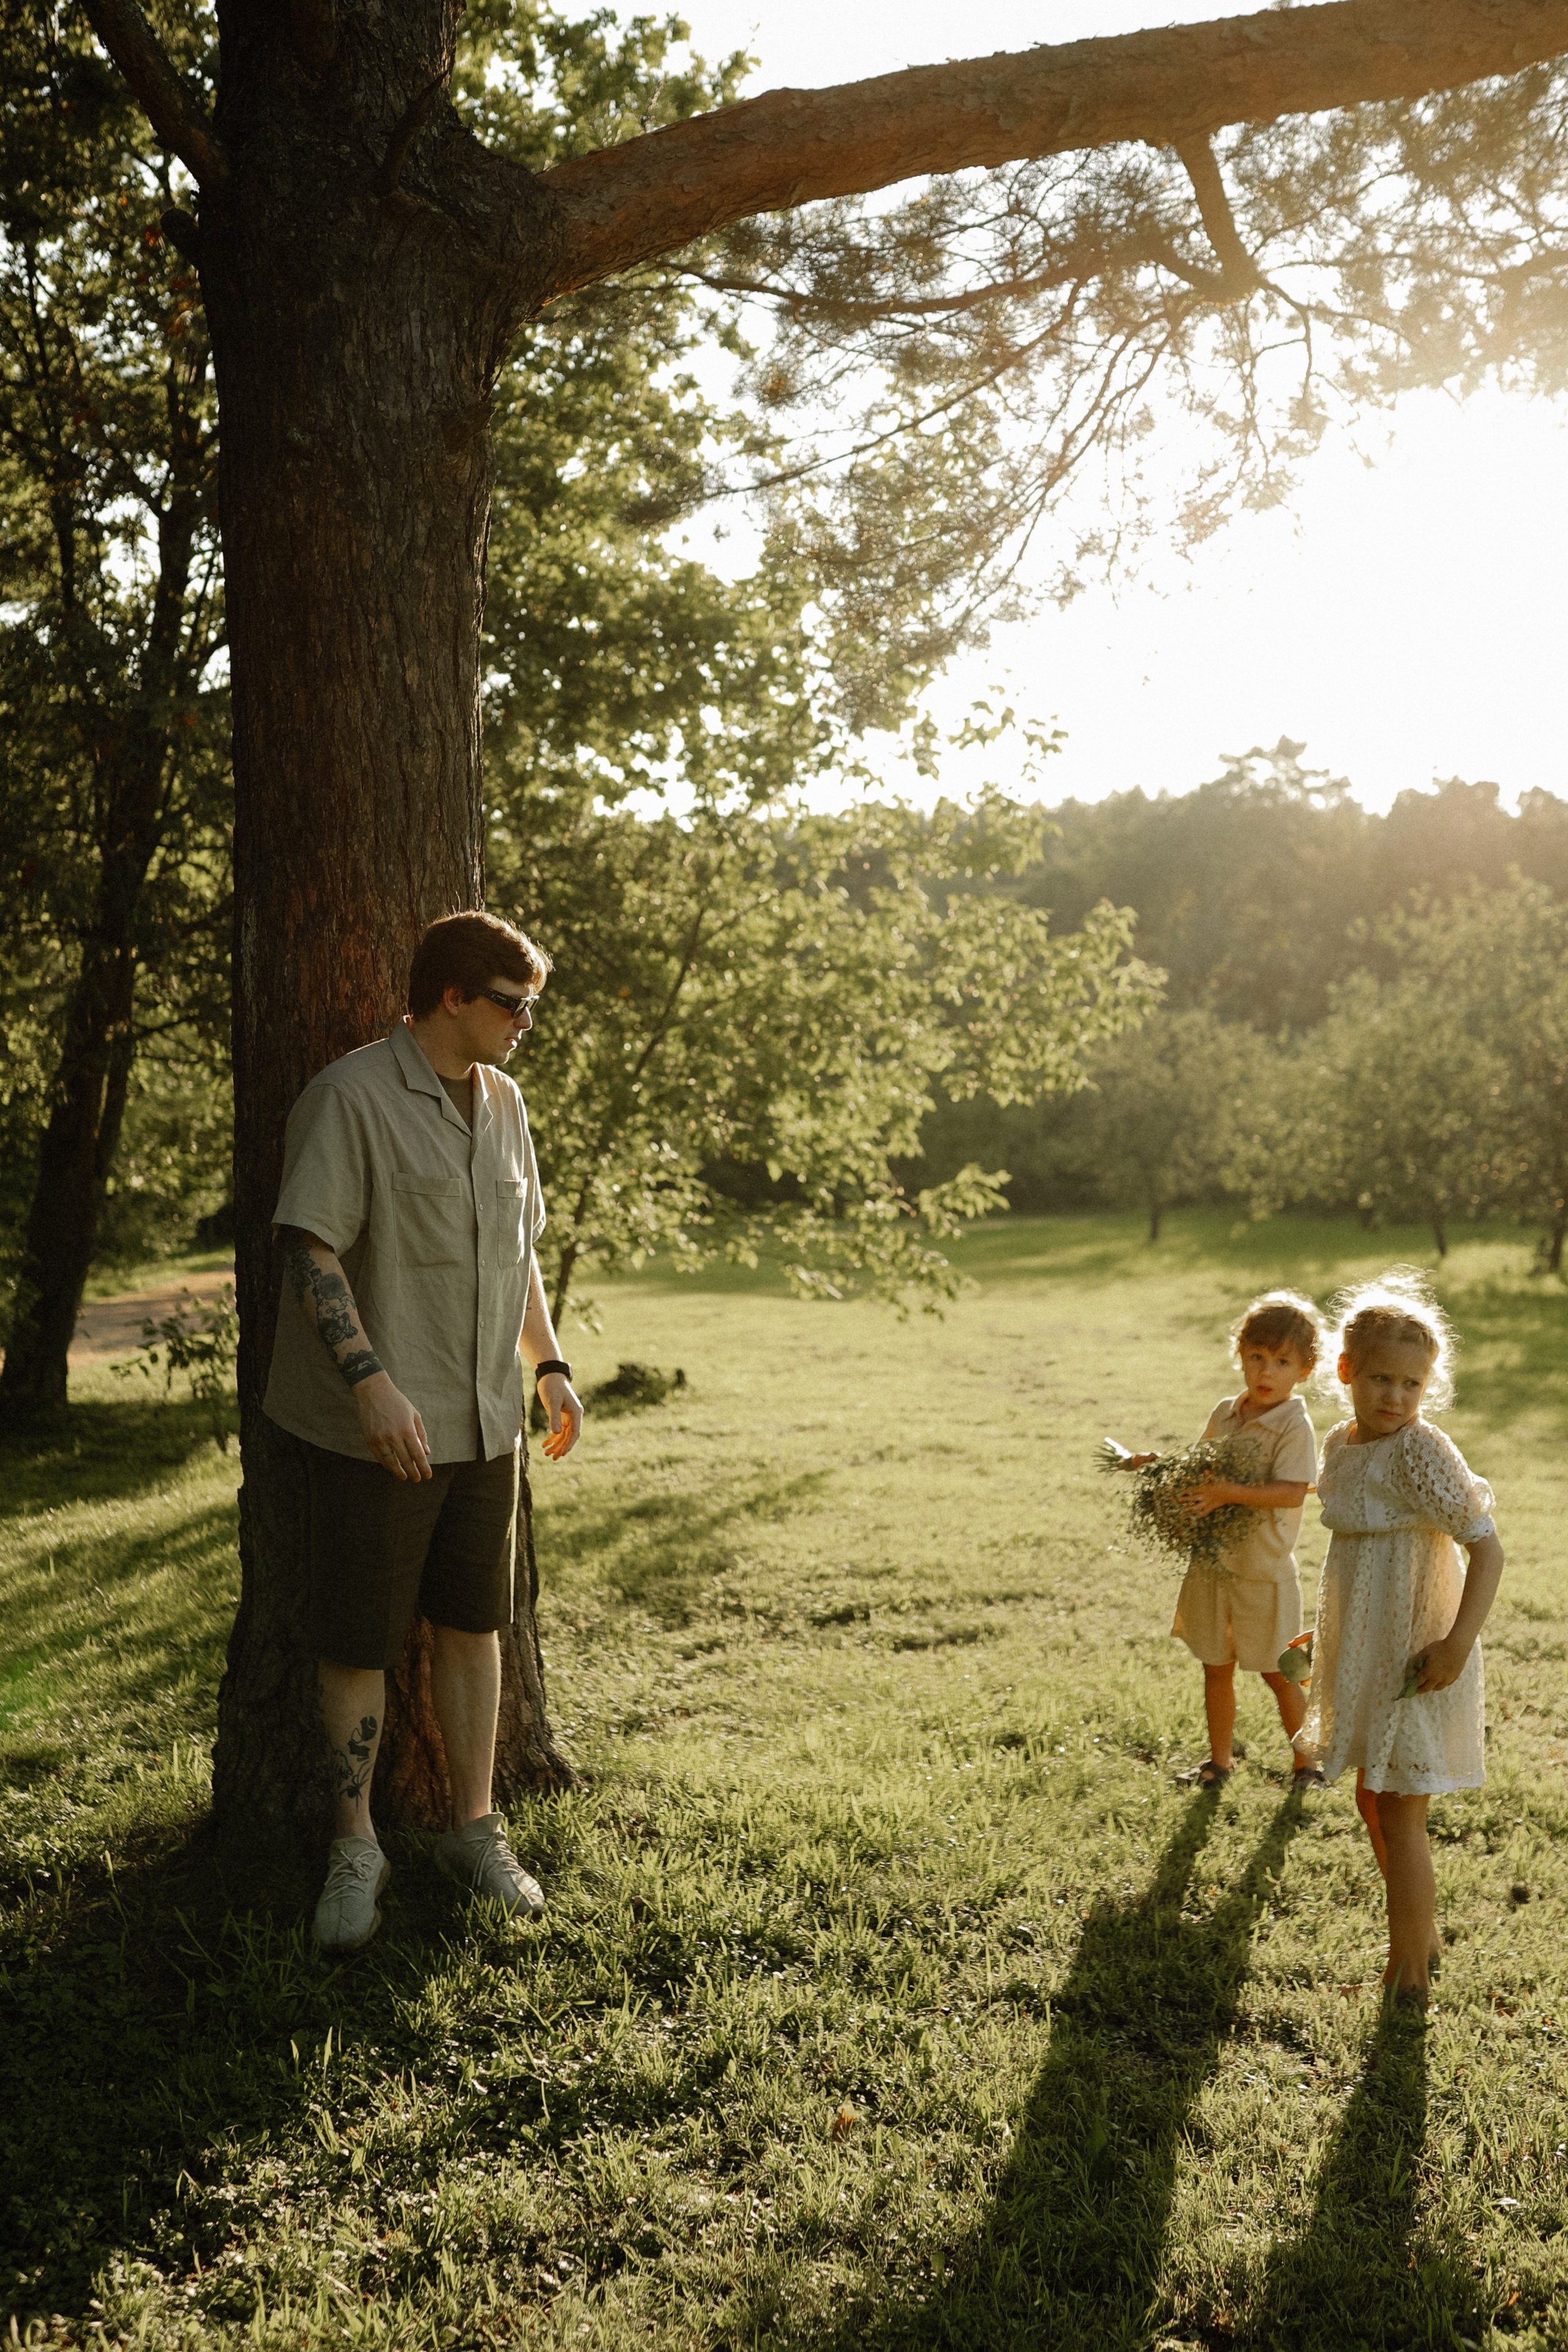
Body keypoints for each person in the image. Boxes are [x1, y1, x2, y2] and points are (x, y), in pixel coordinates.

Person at [262, 910, 584, 1954]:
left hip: (487, 1421)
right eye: (513, 1004)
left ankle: (473, 1831)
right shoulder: (350, 1097)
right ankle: (355, 1845)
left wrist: (551, 1368)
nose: (526, 1023)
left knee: (474, 1627)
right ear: (452, 997)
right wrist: (370, 1385)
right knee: (358, 1639)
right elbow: (310, 1251)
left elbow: (519, 1254)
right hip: (381, 1435)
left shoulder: (506, 1104)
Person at [1297, 1272, 1503, 2008]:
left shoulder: (1420, 1449)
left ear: (1427, 1387)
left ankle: (1408, 1976)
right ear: (1345, 1371)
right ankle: (1423, 1937)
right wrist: (1327, 1630)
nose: (1395, 1396)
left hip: (1420, 1652)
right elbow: (1356, 1556)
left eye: (1411, 1384)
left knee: (1399, 1806)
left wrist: (1454, 1645)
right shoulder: (1339, 1443)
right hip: (1365, 1649)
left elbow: (1487, 1551)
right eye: (1380, 1378)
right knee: (1371, 1796)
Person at [1114, 1291, 1322, 1790]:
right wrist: (1160, 1467)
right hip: (1213, 1566)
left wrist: (1227, 1493)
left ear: (1305, 1370)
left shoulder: (1293, 1425)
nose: (1266, 1371)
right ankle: (1219, 1763)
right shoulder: (1228, 1412)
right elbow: (1202, 1468)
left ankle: (1308, 1765)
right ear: (1240, 1355)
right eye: (1256, 1357)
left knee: (1280, 1673)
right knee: (1215, 1666)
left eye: (1282, 1362)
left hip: (1263, 1571)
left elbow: (1293, 1492)